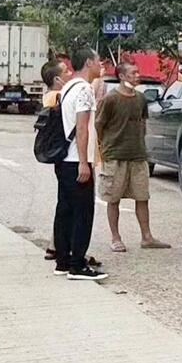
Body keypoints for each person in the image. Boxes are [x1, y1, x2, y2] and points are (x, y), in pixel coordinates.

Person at [96, 61, 170, 251]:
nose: (138, 75)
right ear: (122, 76)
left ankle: (147, 237)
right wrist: (103, 148)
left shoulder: (140, 98)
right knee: (113, 198)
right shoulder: (110, 99)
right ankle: (115, 237)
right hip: (115, 155)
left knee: (142, 196)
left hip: (137, 155)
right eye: (133, 73)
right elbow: (99, 125)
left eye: (138, 72)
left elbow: (142, 122)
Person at [55, 47, 107, 280]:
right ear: (88, 62)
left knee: (65, 210)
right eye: (98, 61)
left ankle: (63, 260)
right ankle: (78, 264)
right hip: (77, 159)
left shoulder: (67, 87)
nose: (101, 65)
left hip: (64, 159)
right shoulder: (84, 89)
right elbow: (83, 127)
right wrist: (85, 162)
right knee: (83, 213)